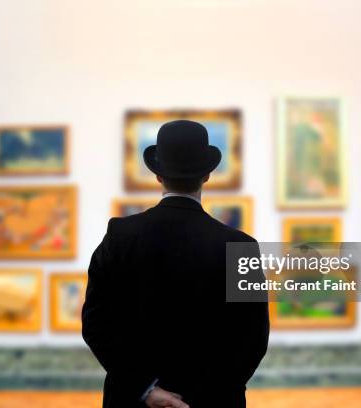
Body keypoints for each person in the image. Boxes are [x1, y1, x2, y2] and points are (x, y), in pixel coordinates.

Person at [82, 120, 269, 408]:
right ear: (208, 174)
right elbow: (253, 339)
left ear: (157, 175)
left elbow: (97, 325)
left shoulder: (120, 237)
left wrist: (145, 389)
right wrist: (204, 395)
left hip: (134, 401)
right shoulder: (240, 247)